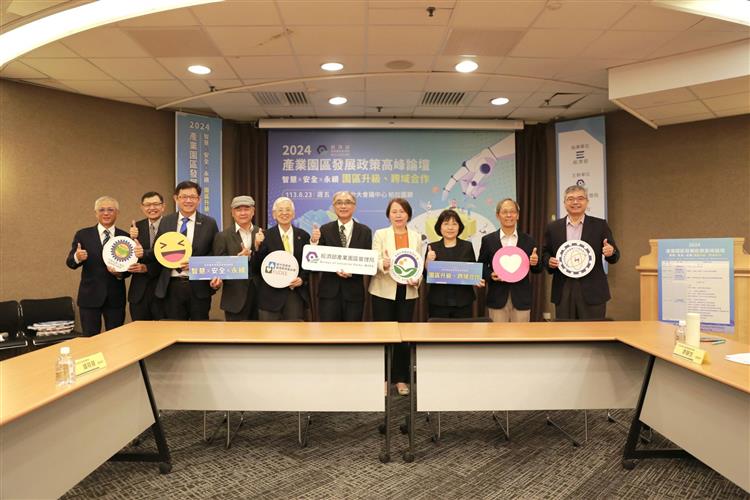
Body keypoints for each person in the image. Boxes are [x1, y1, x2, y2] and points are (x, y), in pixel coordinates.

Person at [369, 198, 422, 396]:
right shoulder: (381, 234)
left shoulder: (416, 236)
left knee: (403, 337)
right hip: (383, 291)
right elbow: (374, 260)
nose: (398, 215)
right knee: (383, 336)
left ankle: (401, 379)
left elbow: (418, 264)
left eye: (402, 211)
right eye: (394, 212)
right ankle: (383, 378)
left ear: (408, 214)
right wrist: (383, 263)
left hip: (407, 292)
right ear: (388, 215)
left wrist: (417, 280)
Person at [542, 185, 620, 320]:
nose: (575, 202)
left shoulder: (600, 225)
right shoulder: (553, 227)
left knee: (594, 334)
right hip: (563, 289)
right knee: (565, 335)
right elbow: (545, 252)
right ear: (564, 203)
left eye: (580, 198)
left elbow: (615, 255)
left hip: (593, 290)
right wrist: (548, 261)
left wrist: (610, 252)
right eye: (570, 199)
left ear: (587, 202)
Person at [66, 196, 136, 335]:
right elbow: (70, 263)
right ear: (95, 213)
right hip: (89, 297)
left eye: (110, 210)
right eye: (102, 210)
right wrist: (77, 257)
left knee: (116, 339)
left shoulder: (125, 237)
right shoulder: (83, 235)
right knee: (90, 340)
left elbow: (129, 268)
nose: (106, 213)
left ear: (117, 213)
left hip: (115, 298)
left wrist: (120, 274)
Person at [151, 181, 221, 320]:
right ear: (176, 198)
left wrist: (197, 264)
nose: (188, 200)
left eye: (192, 197)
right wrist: (142, 253)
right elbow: (157, 250)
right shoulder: (166, 221)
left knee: (199, 331)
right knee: (173, 329)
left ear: (199, 199)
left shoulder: (209, 222)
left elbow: (215, 253)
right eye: (184, 197)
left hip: (198, 286)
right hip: (171, 286)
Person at [309, 191, 372, 321]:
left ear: (354, 206)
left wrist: (352, 272)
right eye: (339, 203)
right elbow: (314, 262)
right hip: (329, 293)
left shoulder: (365, 231)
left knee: (352, 334)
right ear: (333, 207)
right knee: (328, 334)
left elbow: (368, 263)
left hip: (354, 293)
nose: (343, 206)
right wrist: (314, 243)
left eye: (348, 202)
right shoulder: (324, 230)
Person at [478, 199, 541, 322]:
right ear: (497, 215)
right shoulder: (488, 240)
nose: (509, 215)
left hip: (521, 298)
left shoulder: (528, 240)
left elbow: (537, 269)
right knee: (497, 338)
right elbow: (481, 265)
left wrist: (535, 262)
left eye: (512, 212)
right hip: (497, 297)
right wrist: (490, 275)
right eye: (505, 212)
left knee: (521, 338)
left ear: (517, 215)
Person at [255, 197, 310, 320]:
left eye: (288, 210)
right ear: (274, 215)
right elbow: (256, 267)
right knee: (269, 337)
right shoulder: (265, 236)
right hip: (270, 296)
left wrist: (302, 278)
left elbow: (308, 264)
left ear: (294, 214)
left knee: (294, 336)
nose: (284, 213)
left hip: (294, 294)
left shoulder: (303, 235)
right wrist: (257, 246)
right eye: (280, 210)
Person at [425, 209, 484, 319]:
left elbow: (472, 271)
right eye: (446, 224)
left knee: (462, 335)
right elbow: (425, 275)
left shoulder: (467, 246)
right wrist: (428, 261)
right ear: (440, 227)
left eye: (454, 224)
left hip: (463, 301)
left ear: (459, 227)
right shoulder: (432, 247)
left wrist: (476, 280)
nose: (450, 228)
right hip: (438, 302)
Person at [212, 195, 263, 321]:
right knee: (235, 337)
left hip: (260, 296)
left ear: (253, 211)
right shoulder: (222, 236)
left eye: (246, 209)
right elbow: (219, 264)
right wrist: (237, 261)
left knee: (260, 337)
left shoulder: (262, 233)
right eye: (239, 210)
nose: (243, 213)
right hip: (234, 297)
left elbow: (267, 262)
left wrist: (253, 253)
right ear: (232, 213)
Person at [127, 191, 165, 321]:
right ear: (142, 207)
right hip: (139, 293)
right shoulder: (136, 228)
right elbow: (131, 255)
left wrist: (147, 268)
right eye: (147, 205)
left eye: (155, 204)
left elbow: (170, 257)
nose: (152, 208)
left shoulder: (172, 225)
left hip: (164, 291)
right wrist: (131, 238)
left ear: (163, 206)